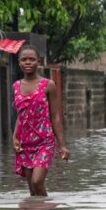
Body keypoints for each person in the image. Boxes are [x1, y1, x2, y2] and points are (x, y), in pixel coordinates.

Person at [12, 44, 70, 196]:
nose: (28, 62)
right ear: (19, 63)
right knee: (32, 188)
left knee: (37, 182)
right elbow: (21, 114)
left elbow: (55, 116)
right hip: (25, 143)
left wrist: (62, 145)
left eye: (32, 59)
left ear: (39, 61)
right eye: (24, 60)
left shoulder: (48, 85)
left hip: (44, 142)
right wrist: (15, 136)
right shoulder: (16, 86)